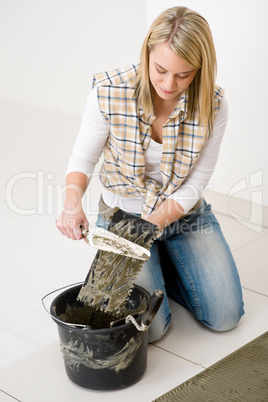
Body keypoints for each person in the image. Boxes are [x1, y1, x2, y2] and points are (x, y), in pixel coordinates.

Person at [56, 6, 244, 343]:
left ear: (199, 69)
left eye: (184, 75)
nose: (169, 85)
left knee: (225, 318)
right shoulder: (109, 92)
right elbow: (82, 159)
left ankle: (166, 263)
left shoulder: (214, 105)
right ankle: (152, 264)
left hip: (184, 215)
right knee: (152, 331)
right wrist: (72, 203)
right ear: (146, 54)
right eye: (160, 70)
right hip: (123, 220)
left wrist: (153, 227)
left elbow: (197, 183)